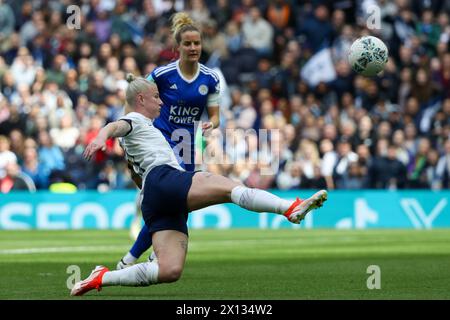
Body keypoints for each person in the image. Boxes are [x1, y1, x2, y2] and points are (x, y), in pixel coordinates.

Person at [70, 75, 327, 296]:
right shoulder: (135, 120)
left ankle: (103, 277)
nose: (161, 101)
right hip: (164, 179)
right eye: (156, 97)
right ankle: (288, 208)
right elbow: (114, 126)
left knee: (169, 270)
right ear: (141, 100)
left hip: (154, 194)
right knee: (230, 188)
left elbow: (137, 176)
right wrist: (101, 137)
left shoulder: (139, 134)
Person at [118, 12, 221, 269]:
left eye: (197, 43)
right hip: (160, 144)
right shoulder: (162, 74)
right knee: (167, 202)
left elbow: (216, 117)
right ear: (177, 47)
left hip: (186, 146)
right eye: (187, 43)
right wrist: (125, 129)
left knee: (178, 207)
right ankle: (132, 257)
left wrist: (211, 125)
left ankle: (144, 254)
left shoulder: (211, 78)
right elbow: (135, 97)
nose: (193, 48)